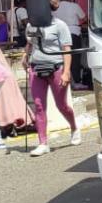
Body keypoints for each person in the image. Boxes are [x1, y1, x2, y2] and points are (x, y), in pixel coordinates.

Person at [23, 13, 81, 157]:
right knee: (39, 105)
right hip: (36, 68)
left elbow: (67, 49)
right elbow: (30, 43)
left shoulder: (59, 25)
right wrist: (25, 56)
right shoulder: (31, 25)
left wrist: (66, 72)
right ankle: (43, 143)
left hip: (56, 67)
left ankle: (74, 128)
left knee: (61, 105)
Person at [50, 0, 88, 89]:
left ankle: (62, 79)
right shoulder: (74, 5)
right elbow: (84, 18)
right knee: (75, 58)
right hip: (73, 33)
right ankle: (76, 82)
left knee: (61, 58)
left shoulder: (54, 7)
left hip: (57, 35)